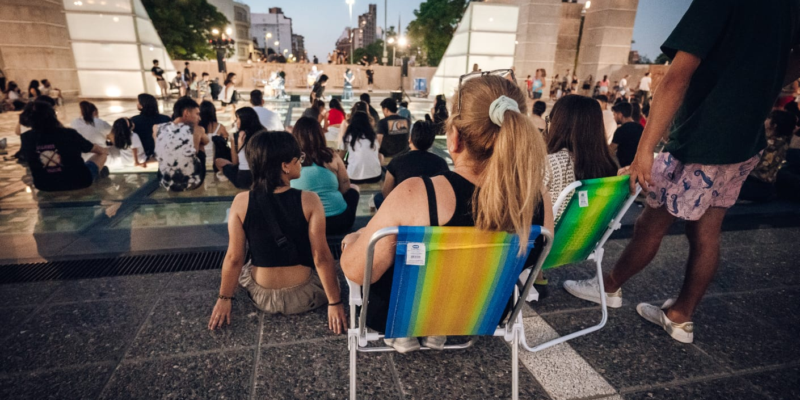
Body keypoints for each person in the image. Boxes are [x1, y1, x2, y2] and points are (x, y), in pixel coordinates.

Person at [564, 0, 800, 344]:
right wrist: (759, 83)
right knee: (707, 232)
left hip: (702, 138)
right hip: (746, 141)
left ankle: (608, 288)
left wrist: (645, 150)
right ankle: (680, 316)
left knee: (651, 223)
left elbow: (676, 77)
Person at [340, 75, 553, 352]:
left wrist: (355, 239)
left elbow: (358, 273)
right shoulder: (536, 198)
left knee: (355, 245)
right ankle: (438, 329)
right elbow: (537, 260)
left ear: (454, 139)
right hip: (483, 312)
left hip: (403, 316)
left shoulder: (417, 195)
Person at [208, 131, 346, 332]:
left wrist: (224, 299)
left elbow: (234, 258)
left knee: (246, 265)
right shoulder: (310, 200)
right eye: (298, 158)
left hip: (262, 298)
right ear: (285, 166)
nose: (301, 162)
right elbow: (321, 257)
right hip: (304, 296)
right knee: (332, 270)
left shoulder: (241, 201)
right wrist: (335, 303)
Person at [545, 95, 618, 221]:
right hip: (582, 237)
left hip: (545, 237)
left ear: (558, 125)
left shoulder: (549, 164)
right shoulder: (608, 165)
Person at [291, 117, 360, 234]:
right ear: (320, 135)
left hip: (305, 225)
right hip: (339, 222)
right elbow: (345, 188)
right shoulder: (332, 155)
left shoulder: (290, 161)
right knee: (354, 190)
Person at [20, 101, 109, 191]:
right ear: (53, 115)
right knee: (103, 154)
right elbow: (95, 149)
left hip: (44, 185)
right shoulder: (68, 133)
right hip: (79, 181)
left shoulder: (26, 137)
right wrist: (105, 151)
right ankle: (97, 175)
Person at [375, 120, 449, 209]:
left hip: (403, 211)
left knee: (378, 197)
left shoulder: (396, 161)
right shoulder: (441, 163)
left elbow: (386, 193)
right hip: (430, 212)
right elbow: (446, 192)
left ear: (410, 139)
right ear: (431, 143)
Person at [739, 110, 796, 202]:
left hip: (751, 187)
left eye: (768, 118)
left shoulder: (763, 144)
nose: (765, 120)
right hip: (768, 189)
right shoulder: (784, 142)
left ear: (774, 125)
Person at [155, 97, 209, 191]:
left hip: (164, 181)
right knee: (201, 145)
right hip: (191, 183)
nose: (199, 118)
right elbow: (206, 141)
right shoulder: (198, 129)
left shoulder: (157, 128)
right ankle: (199, 182)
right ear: (186, 113)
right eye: (197, 114)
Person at [214, 107, 264, 189]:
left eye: (237, 118)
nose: (236, 121)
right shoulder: (263, 134)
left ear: (244, 120)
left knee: (218, 161)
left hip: (243, 179)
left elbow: (235, 162)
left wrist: (233, 143)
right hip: (260, 178)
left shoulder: (238, 136)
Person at [340, 112, 381, 184]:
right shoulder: (372, 136)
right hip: (375, 176)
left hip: (354, 177)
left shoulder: (348, 136)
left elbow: (341, 156)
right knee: (381, 156)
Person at [610, 102, 644, 168]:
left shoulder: (621, 130)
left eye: (614, 114)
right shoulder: (640, 128)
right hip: (637, 166)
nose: (614, 118)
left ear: (620, 115)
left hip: (622, 167)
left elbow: (611, 149)